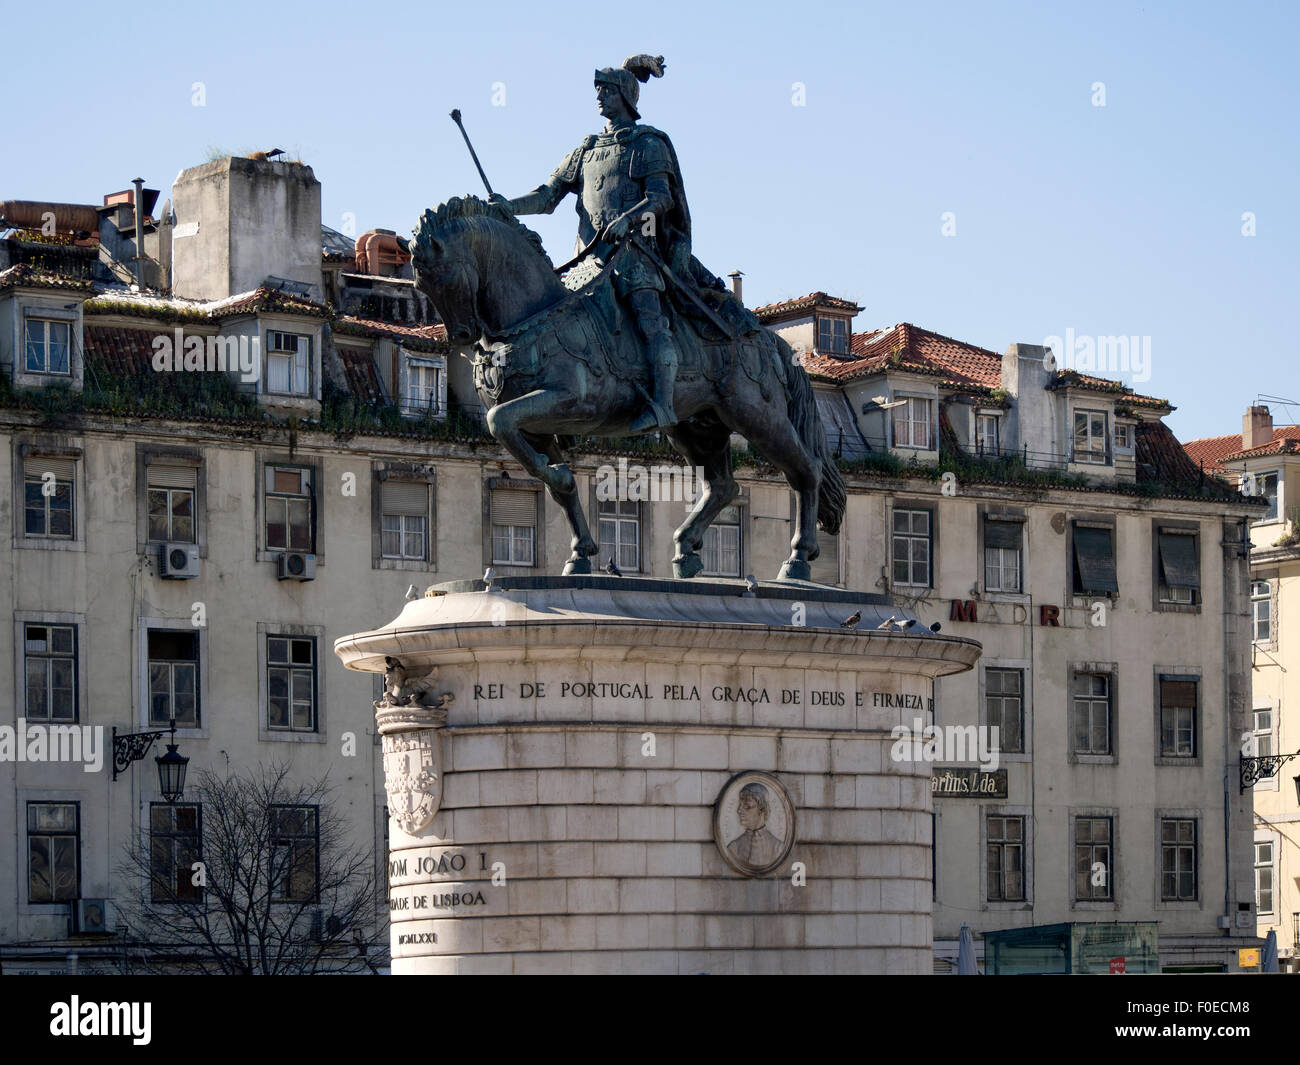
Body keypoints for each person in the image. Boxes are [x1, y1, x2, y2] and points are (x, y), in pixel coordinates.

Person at [492, 54, 690, 434]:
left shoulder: (648, 143)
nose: (599, 96)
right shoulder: (586, 149)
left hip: (635, 256)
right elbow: (548, 196)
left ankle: (663, 404)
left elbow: (661, 198)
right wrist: (508, 208)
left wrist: (629, 220)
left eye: (607, 90)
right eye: (598, 90)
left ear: (625, 96)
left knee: (652, 323)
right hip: (587, 261)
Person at [727, 782, 783, 867]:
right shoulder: (733, 848)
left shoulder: (778, 848)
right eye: (740, 805)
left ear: (762, 808)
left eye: (747, 806)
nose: (739, 810)